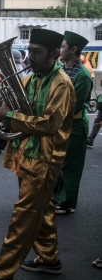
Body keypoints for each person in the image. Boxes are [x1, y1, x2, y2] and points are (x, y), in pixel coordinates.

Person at [0, 29, 74, 280]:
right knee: (40, 211)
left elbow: (48, 124)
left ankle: (3, 273)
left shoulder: (62, 84)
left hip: (46, 158)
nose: (30, 57)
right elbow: (17, 111)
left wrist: (9, 114)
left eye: (37, 52)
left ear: (55, 54)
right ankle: (49, 259)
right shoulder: (31, 78)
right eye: (29, 51)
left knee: (24, 215)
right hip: (27, 152)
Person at [53, 31, 92, 215]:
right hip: (61, 123)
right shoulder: (62, 69)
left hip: (75, 125)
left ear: (73, 49)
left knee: (71, 166)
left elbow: (73, 106)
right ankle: (56, 197)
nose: (60, 49)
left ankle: (67, 202)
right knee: (58, 163)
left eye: (62, 46)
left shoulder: (83, 75)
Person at [0, 50, 26, 154]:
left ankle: (1, 147)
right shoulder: (15, 70)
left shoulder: (17, 71)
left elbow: (11, 87)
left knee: (9, 124)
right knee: (9, 124)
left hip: (13, 101)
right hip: (11, 100)